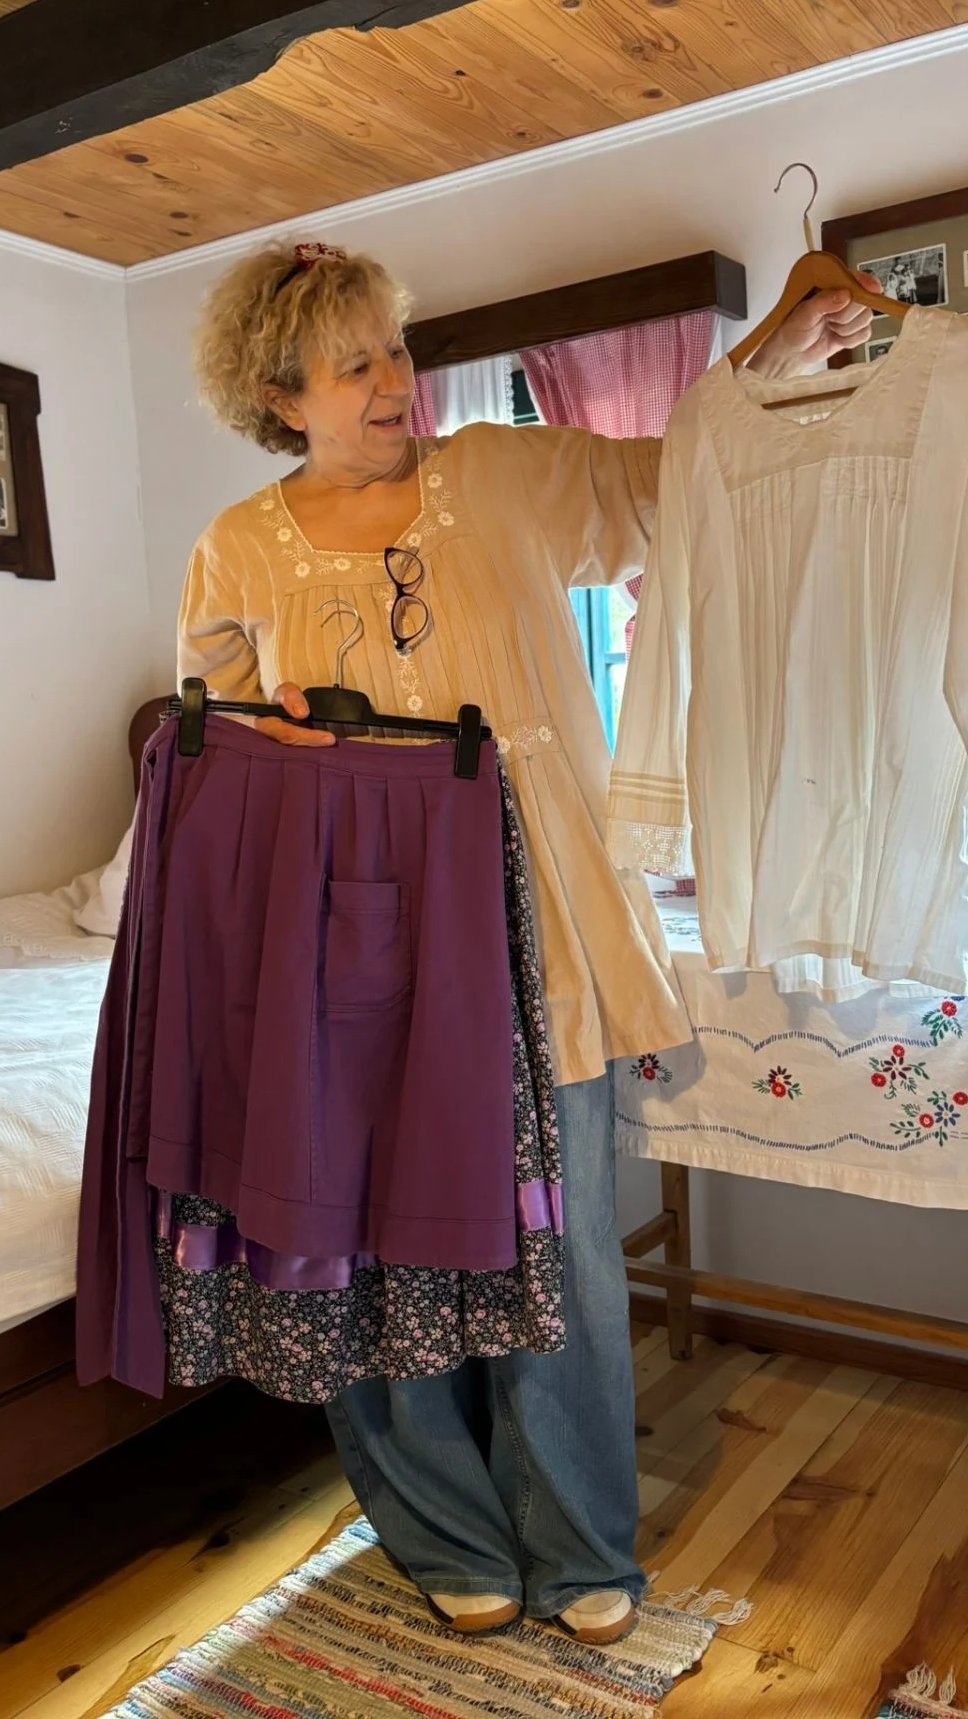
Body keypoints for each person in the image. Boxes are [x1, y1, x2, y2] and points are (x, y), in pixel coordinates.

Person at [180, 240, 876, 1644]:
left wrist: (774, 355)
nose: (396, 381)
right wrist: (282, 744)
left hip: (534, 916)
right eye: (355, 364)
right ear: (280, 396)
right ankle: (444, 1529)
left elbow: (671, 477)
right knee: (378, 1251)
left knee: (560, 1248)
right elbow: (216, 745)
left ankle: (579, 1547)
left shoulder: (498, 473)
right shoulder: (235, 548)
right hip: (347, 948)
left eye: (396, 348)